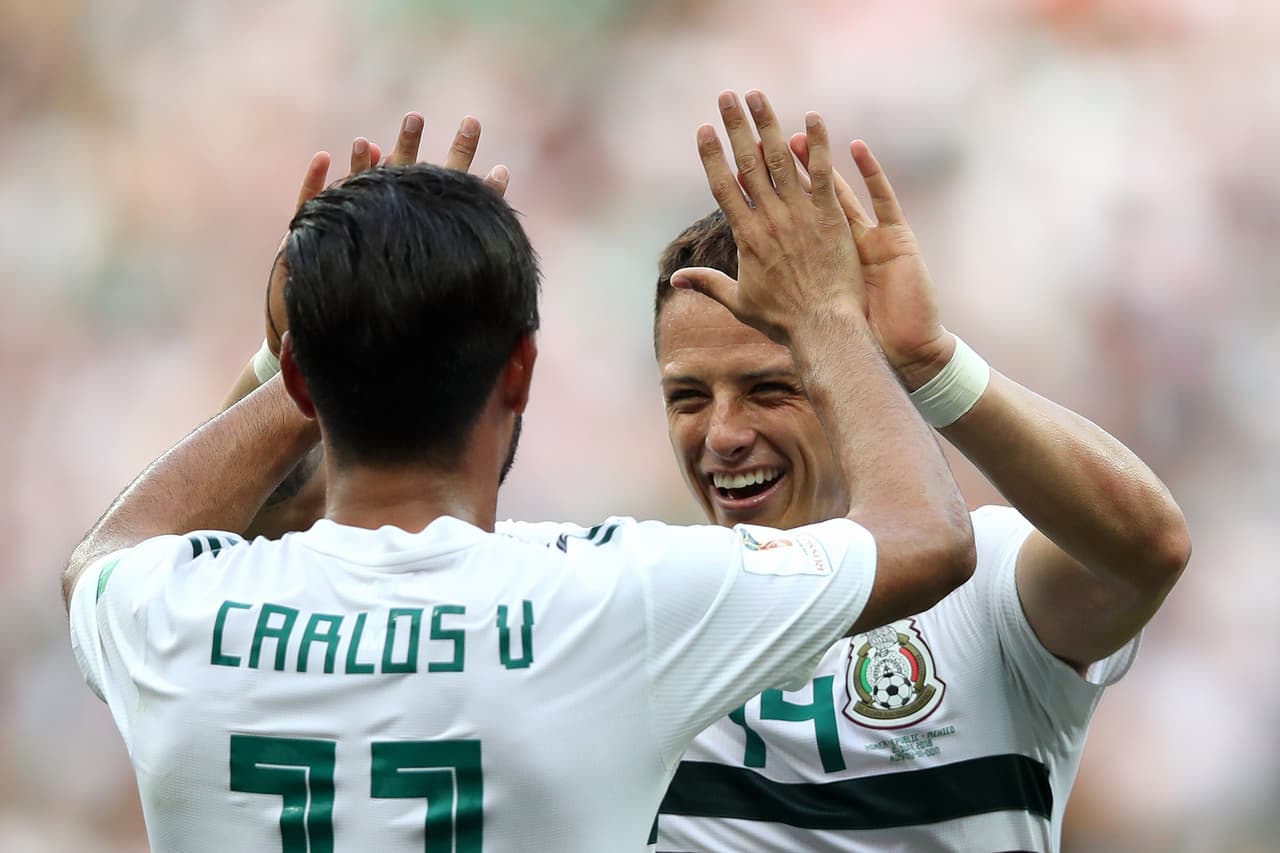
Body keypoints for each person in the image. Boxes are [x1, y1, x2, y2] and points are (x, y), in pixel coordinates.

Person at [63, 95, 976, 852]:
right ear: (521, 370)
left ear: (303, 379)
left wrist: (324, 333)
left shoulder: (170, 613)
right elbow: (928, 535)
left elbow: (107, 552)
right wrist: (825, 315)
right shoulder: (615, 599)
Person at [648, 128, 1192, 850]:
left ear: (853, 379)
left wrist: (930, 364)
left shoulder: (983, 584)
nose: (722, 434)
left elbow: (1147, 550)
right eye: (688, 397)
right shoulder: (639, 611)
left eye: (771, 388)